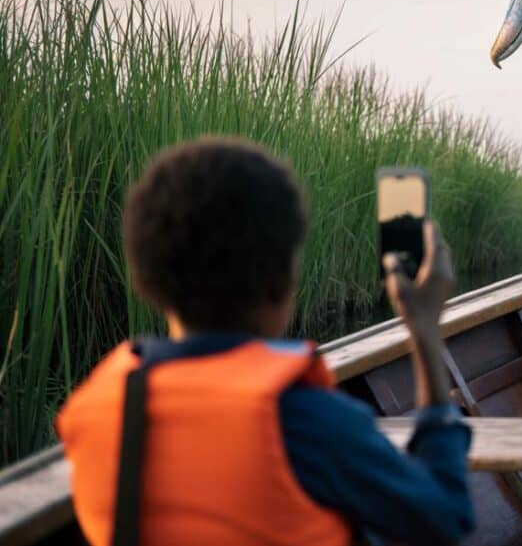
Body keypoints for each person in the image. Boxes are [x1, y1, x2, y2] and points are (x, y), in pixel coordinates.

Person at [55, 137, 474, 545]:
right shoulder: (307, 421)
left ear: (143, 280)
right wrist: (424, 332)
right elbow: (447, 517)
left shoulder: (89, 414)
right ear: (283, 282)